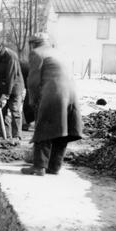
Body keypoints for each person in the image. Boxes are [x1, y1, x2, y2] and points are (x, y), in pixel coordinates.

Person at [21, 33, 83, 176]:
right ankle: (54, 167)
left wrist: (33, 100)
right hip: (71, 94)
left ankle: (38, 167)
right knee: (63, 129)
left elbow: (33, 81)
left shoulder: (36, 53)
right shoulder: (59, 53)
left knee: (44, 128)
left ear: (33, 44)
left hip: (53, 94)